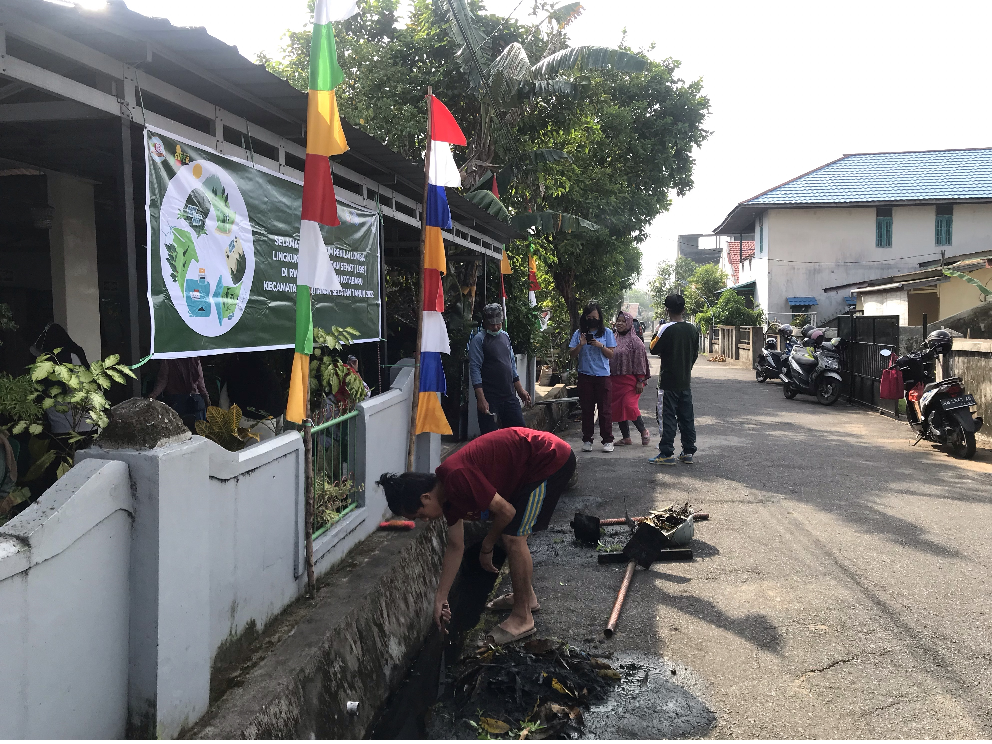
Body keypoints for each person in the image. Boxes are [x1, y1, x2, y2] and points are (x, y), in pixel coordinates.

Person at [377, 427, 576, 646]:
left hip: (548, 459)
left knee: (512, 537)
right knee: (510, 532)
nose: (424, 520)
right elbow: (455, 546)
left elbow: (507, 512)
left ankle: (522, 617)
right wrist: (441, 598)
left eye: (419, 514)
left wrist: (487, 545)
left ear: (425, 498)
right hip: (526, 469)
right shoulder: (448, 499)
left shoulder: (456, 477)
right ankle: (526, 598)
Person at [649, 294, 698, 465]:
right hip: (685, 381)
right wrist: (686, 368)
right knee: (686, 417)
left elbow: (653, 349)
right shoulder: (693, 329)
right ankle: (688, 451)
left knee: (667, 417)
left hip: (668, 382)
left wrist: (657, 330)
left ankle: (666, 452)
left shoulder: (666, 329)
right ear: (684, 309)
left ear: (667, 310)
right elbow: (695, 354)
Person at [469, 303, 532, 434]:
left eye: (498, 323)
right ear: (485, 323)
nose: (496, 327)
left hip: (509, 395)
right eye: (492, 324)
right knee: (490, 439)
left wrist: (520, 390)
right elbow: (475, 370)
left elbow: (511, 366)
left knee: (520, 434)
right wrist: (481, 398)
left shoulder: (505, 336)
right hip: (490, 398)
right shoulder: (479, 340)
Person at [569, 302, 616, 452]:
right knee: (587, 410)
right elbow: (571, 355)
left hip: (602, 376)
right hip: (585, 376)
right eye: (589, 317)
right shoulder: (579, 334)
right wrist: (581, 344)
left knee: (605, 410)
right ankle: (587, 439)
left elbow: (611, 355)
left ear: (599, 317)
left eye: (594, 317)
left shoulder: (607, 333)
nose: (592, 320)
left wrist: (600, 346)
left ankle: (608, 440)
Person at [610, 311, 651, 446]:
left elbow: (640, 361)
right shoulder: (613, 338)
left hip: (631, 381)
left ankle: (644, 431)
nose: (619, 323)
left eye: (623, 321)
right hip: (615, 379)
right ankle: (626, 437)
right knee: (618, 407)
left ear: (628, 323)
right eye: (618, 321)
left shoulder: (635, 341)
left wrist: (640, 380)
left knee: (629, 405)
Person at [148, 357, 211, 423]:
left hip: (176, 400)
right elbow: (200, 382)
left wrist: (154, 395)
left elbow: (163, 379)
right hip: (194, 400)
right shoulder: (194, 358)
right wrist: (206, 397)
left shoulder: (168, 358)